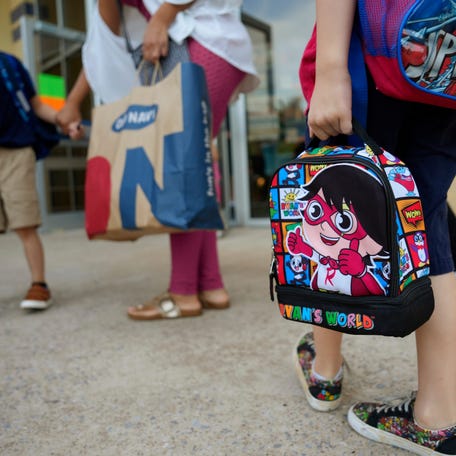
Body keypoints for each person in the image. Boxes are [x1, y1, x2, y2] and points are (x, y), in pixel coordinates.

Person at [294, 0, 456, 454]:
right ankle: (438, 417)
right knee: (427, 218)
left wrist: (330, 69)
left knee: (332, 196)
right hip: (444, 61)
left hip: (371, 51)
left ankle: (325, 372)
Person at [56, 0, 259, 320]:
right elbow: (106, 43)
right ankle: (210, 285)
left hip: (203, 43)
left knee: (182, 170)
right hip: (213, 46)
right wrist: (73, 101)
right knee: (196, 161)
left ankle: (182, 292)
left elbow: (109, 40)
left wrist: (163, 15)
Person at [0, 51, 80, 310]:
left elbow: (35, 105)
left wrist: (63, 121)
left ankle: (39, 284)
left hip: (16, 151)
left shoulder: (9, 64)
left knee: (25, 222)